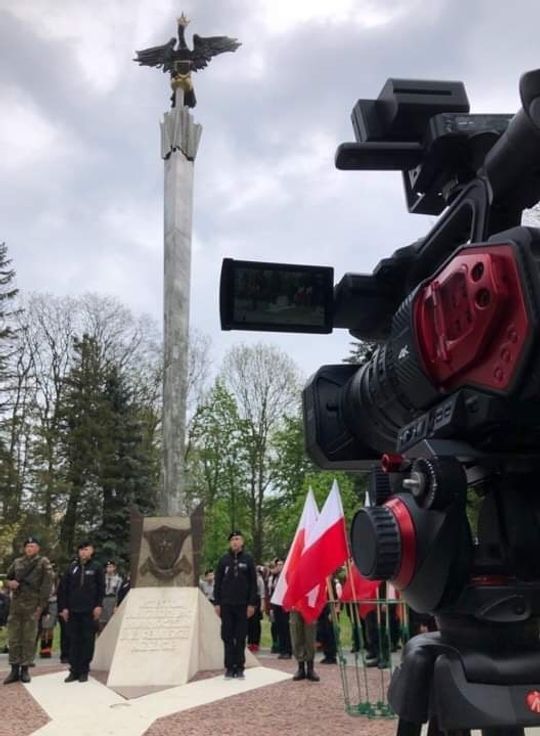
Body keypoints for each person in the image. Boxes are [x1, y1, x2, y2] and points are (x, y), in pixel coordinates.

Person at [3, 536, 53, 685]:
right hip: (16, 605)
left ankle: (25, 669)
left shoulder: (43, 563)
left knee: (29, 638)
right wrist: (9, 583)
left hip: (33, 605)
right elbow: (6, 578)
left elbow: (47, 585)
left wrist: (41, 607)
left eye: (32, 546)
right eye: (28, 546)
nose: (29, 549)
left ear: (38, 548)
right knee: (14, 637)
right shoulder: (17, 562)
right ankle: (14, 669)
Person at [58, 541, 104, 683]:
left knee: (87, 640)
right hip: (73, 610)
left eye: (86, 549)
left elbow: (101, 588)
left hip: (89, 610)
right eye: (81, 550)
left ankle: (84, 669)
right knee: (73, 640)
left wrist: (98, 605)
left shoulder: (96, 567)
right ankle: (74, 670)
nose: (83, 552)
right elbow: (64, 589)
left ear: (92, 551)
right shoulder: (72, 568)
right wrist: (64, 608)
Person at [213, 531, 257, 679]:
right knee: (227, 635)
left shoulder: (248, 559)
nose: (235, 542)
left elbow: (253, 584)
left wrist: (252, 604)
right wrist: (217, 603)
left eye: (237, 539)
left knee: (240, 636)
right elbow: (218, 582)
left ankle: (239, 667)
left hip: (242, 605)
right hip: (226, 604)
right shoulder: (224, 560)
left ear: (242, 542)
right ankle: (229, 667)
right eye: (232, 539)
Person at [289, 608, 319, 682]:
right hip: (295, 605)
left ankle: (310, 668)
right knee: (296, 633)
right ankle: (301, 667)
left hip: (309, 605)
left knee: (310, 635)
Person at [98, 560, 122, 633]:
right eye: (108, 567)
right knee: (101, 621)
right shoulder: (102, 578)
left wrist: (116, 605)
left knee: (111, 620)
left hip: (112, 599)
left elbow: (119, 593)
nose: (109, 569)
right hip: (103, 599)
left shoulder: (118, 579)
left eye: (111, 567)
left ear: (114, 568)